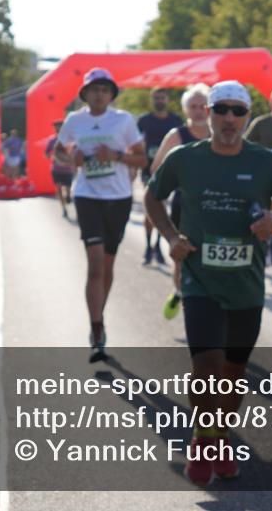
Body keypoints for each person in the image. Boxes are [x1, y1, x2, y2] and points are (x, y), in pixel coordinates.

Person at [145, 80, 272, 486]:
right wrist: (172, 237)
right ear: (208, 114)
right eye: (222, 110)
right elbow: (151, 196)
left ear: (247, 117)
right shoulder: (184, 158)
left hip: (247, 284)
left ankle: (221, 437)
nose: (230, 118)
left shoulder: (266, 162)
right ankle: (203, 439)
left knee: (233, 373)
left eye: (238, 111)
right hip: (200, 279)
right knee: (207, 365)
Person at [54, 68, 147, 362]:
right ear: (85, 94)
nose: (99, 94)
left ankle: (99, 314)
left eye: (105, 90)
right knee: (95, 265)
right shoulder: (75, 121)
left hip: (118, 198)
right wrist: (71, 157)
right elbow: (58, 151)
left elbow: (142, 158)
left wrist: (117, 156)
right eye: (94, 89)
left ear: (111, 94)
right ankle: (96, 329)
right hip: (88, 197)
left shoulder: (123, 121)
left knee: (107, 266)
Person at [149, 83, 212, 320]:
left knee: (210, 259)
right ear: (186, 110)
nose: (198, 111)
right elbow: (156, 170)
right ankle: (180, 294)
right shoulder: (176, 136)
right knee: (181, 260)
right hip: (183, 206)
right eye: (193, 106)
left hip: (216, 207)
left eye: (202, 106)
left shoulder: (219, 135)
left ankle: (207, 306)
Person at [137, 88, 183, 265]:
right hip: (150, 170)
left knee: (166, 209)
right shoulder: (144, 121)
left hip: (173, 171)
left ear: (167, 99)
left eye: (162, 97)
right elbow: (135, 143)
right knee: (153, 207)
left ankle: (158, 246)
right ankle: (149, 246)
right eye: (156, 98)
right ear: (151, 100)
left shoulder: (175, 120)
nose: (159, 101)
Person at [45, 119, 74, 217]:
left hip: (68, 169)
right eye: (56, 127)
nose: (58, 128)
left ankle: (68, 195)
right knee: (58, 188)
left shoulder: (70, 139)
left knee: (67, 188)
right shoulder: (52, 140)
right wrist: (52, 155)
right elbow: (46, 154)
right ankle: (64, 208)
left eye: (60, 126)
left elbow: (75, 152)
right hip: (56, 168)